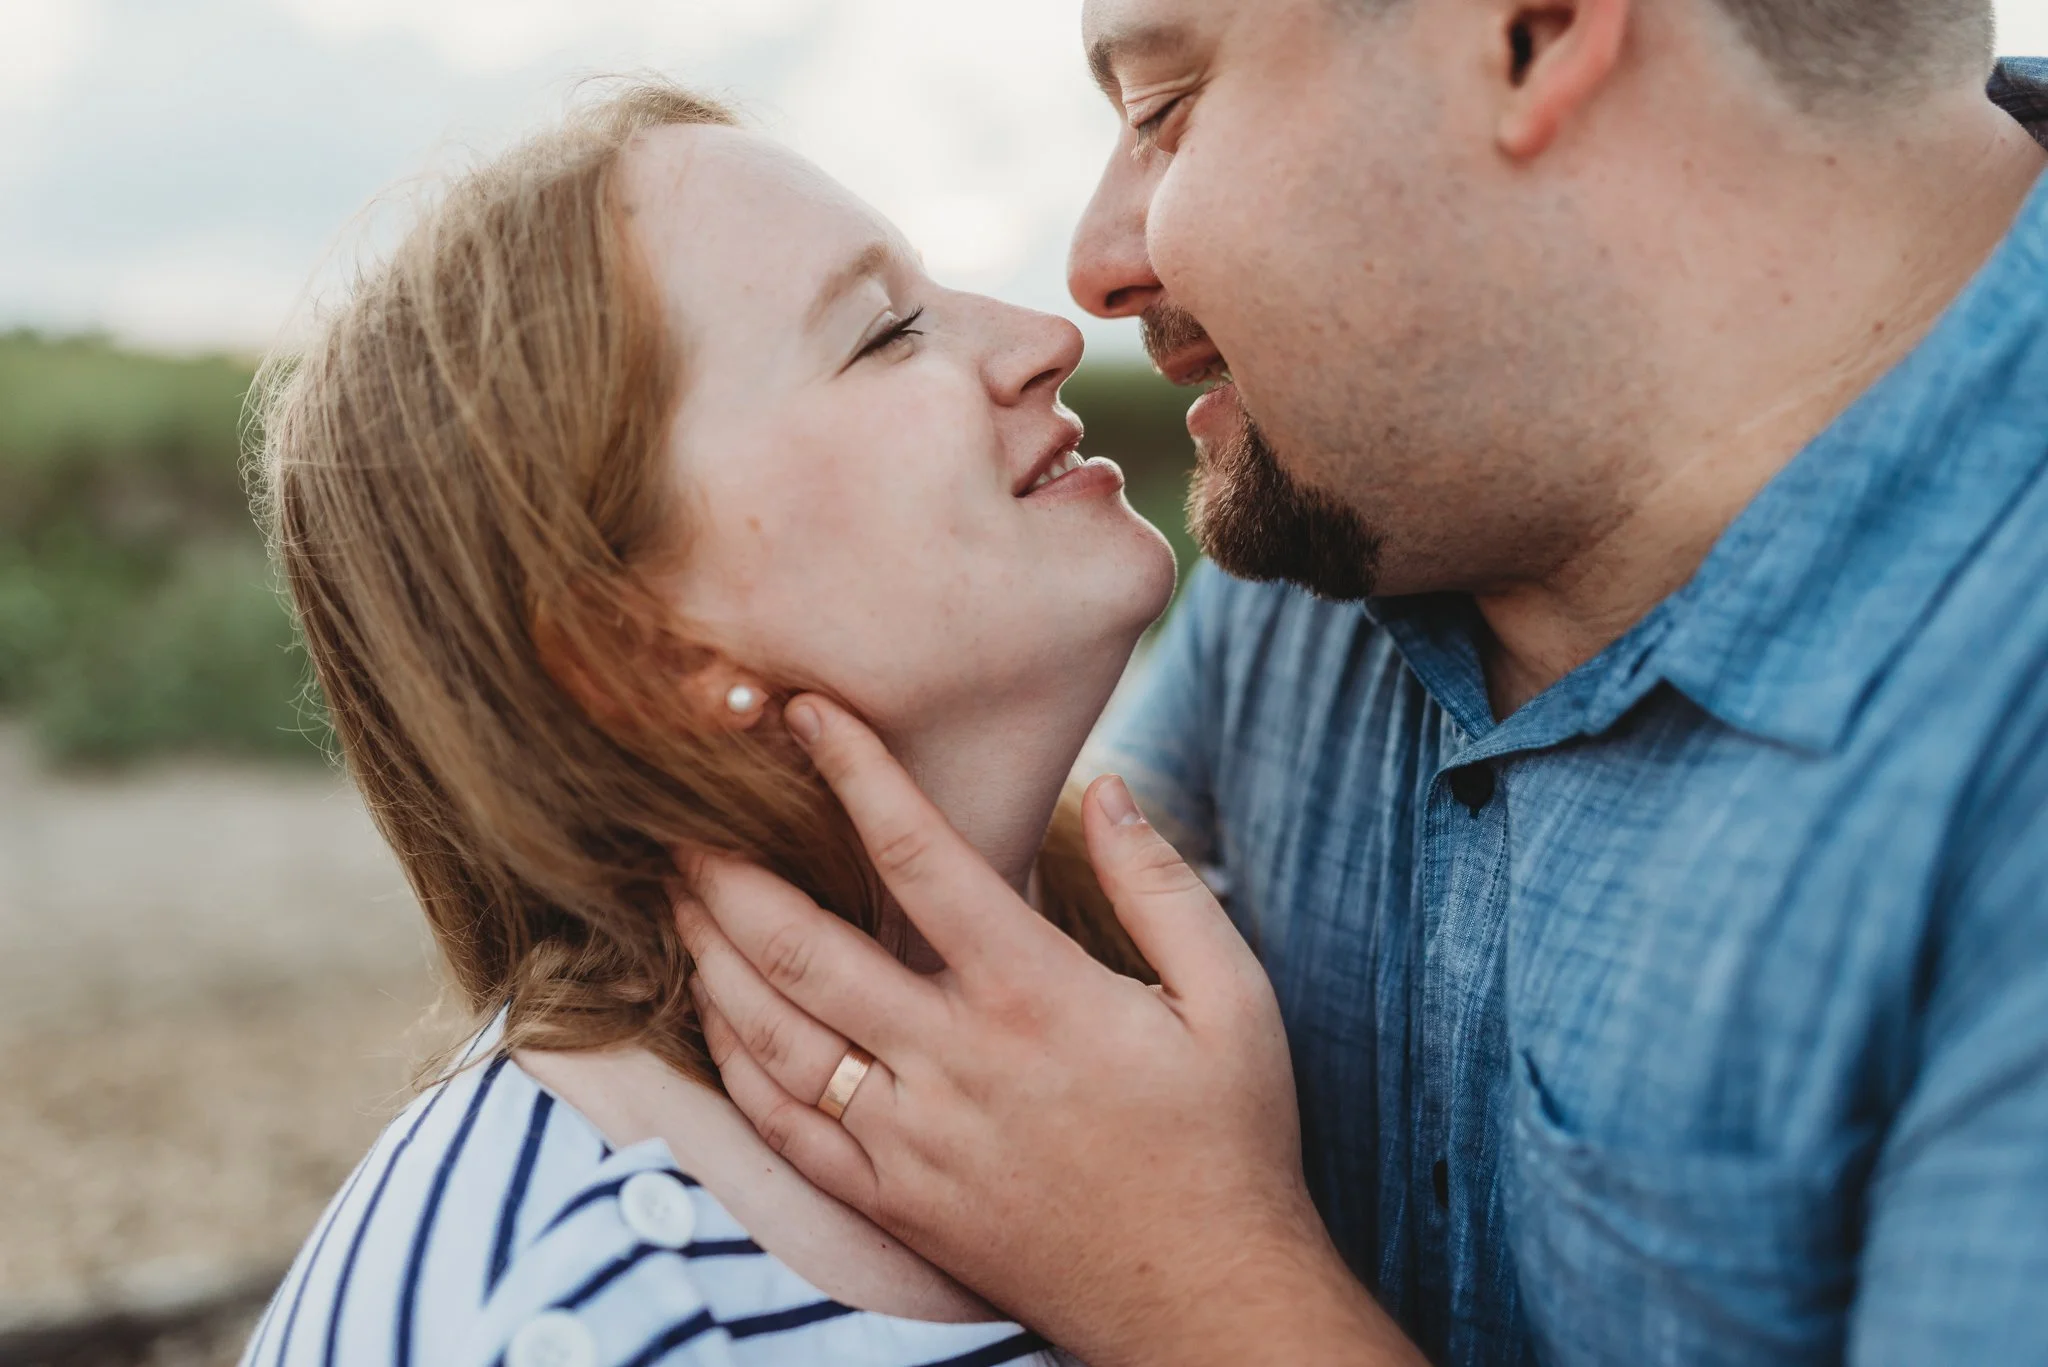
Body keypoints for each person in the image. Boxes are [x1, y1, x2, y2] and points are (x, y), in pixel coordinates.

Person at [674, 0, 2048, 1364]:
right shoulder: (1362, 495)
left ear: (1538, 32)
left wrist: (1191, 1278)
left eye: (1164, 109)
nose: (1093, 270)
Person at [237, 81, 1186, 1367]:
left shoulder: (1184, 991)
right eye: (887, 331)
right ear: (642, 649)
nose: (1044, 334)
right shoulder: (554, 1316)